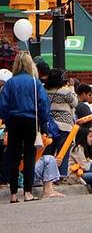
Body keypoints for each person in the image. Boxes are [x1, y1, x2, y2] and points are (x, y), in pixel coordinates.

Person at [0, 52, 51, 203]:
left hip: (14, 120)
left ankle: (13, 194)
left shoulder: (10, 83)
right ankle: (28, 192)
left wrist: (7, 121)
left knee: (13, 156)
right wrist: (43, 123)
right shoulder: (35, 83)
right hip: (31, 120)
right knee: (29, 156)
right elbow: (43, 104)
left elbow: (3, 105)